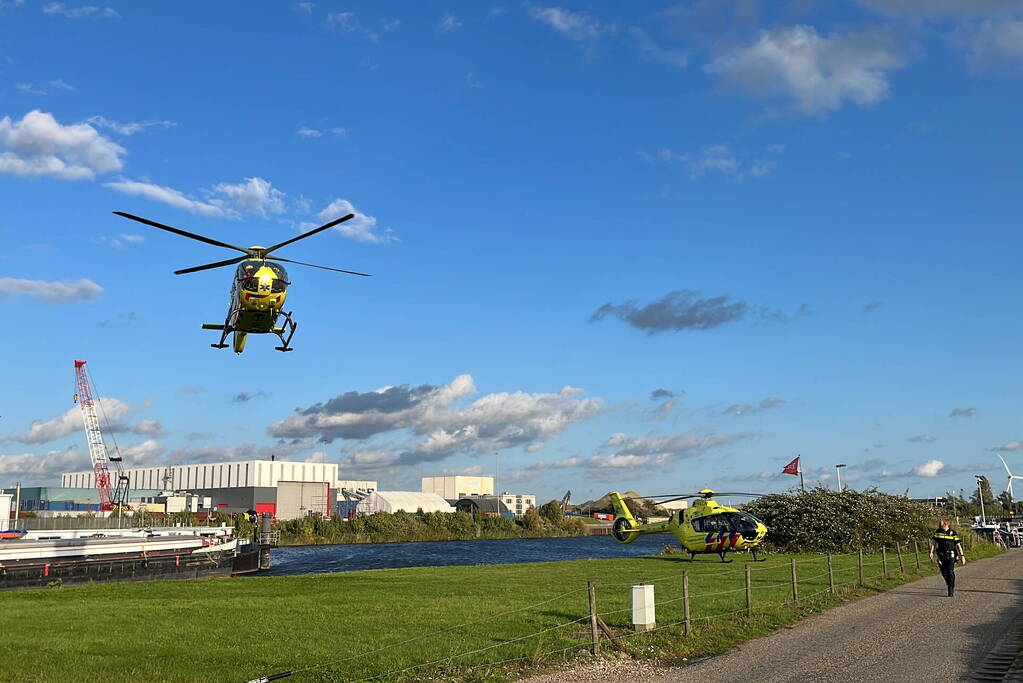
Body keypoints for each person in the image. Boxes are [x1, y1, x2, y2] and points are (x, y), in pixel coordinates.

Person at [929, 518, 966, 597]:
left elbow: (958, 545)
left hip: (951, 554)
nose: (939, 524)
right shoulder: (938, 532)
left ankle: (951, 588)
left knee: (950, 571)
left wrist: (962, 556)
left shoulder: (952, 533)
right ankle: (948, 582)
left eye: (941, 523)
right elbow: (933, 542)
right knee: (943, 571)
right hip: (941, 554)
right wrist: (931, 552)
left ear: (946, 524)